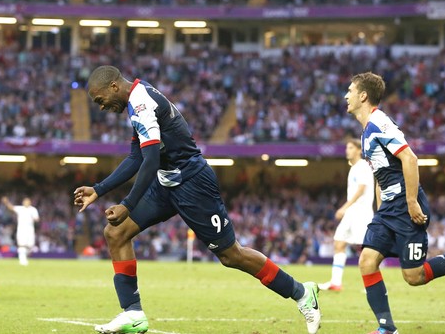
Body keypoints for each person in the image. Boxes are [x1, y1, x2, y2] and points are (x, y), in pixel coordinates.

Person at [73, 66, 321, 334]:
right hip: (166, 182)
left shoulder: (142, 102)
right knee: (116, 233)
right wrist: (99, 189)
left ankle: (301, 292)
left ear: (113, 87)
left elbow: (151, 158)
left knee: (231, 255)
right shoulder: (137, 98)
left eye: (100, 100)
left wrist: (128, 204)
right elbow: (137, 156)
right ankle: (133, 314)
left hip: (193, 183)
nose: (101, 107)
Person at [345, 72, 445, 334]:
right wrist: (381, 208)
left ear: (363, 96)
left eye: (350, 90)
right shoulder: (364, 132)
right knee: (366, 261)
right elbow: (381, 176)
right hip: (388, 210)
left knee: (414, 277)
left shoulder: (380, 123)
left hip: (406, 206)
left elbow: (410, 159)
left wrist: (412, 201)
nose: (345, 96)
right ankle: (386, 328)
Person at [319, 139, 374, 291]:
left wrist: (344, 207)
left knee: (367, 249)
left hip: (361, 213)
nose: (347, 150)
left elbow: (361, 189)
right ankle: (335, 282)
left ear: (358, 150)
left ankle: (373, 285)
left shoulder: (363, 166)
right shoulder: (354, 167)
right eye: (346, 148)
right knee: (339, 242)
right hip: (352, 212)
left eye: (350, 148)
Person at [1, 196, 40, 266]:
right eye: (25, 201)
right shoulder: (20, 209)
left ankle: (25, 257)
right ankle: (22, 260)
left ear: (30, 202)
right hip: (21, 229)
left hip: (30, 230)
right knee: (22, 244)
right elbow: (12, 208)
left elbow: (37, 218)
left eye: (27, 201)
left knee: (30, 245)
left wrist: (35, 219)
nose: (26, 203)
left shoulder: (33, 210)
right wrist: (6, 202)